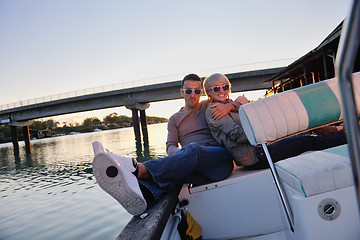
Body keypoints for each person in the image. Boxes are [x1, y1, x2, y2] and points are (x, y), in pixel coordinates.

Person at [92, 73, 236, 216]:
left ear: (201, 93)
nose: (193, 95)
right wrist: (182, 155)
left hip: (219, 162)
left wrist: (230, 106)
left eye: (197, 91)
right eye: (188, 91)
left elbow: (242, 102)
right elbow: (170, 146)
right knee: (178, 170)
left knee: (193, 150)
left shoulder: (209, 105)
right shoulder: (174, 119)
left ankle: (137, 169)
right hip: (195, 170)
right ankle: (143, 194)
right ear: (182, 92)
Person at [203, 73, 347, 170]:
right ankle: (348, 137)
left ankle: (338, 131)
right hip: (255, 156)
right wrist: (273, 128)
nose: (222, 90)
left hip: (263, 146)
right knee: (307, 142)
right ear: (209, 93)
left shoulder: (230, 105)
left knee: (300, 123)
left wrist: (235, 105)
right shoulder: (214, 110)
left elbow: (256, 114)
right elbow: (238, 136)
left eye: (225, 86)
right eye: (216, 88)